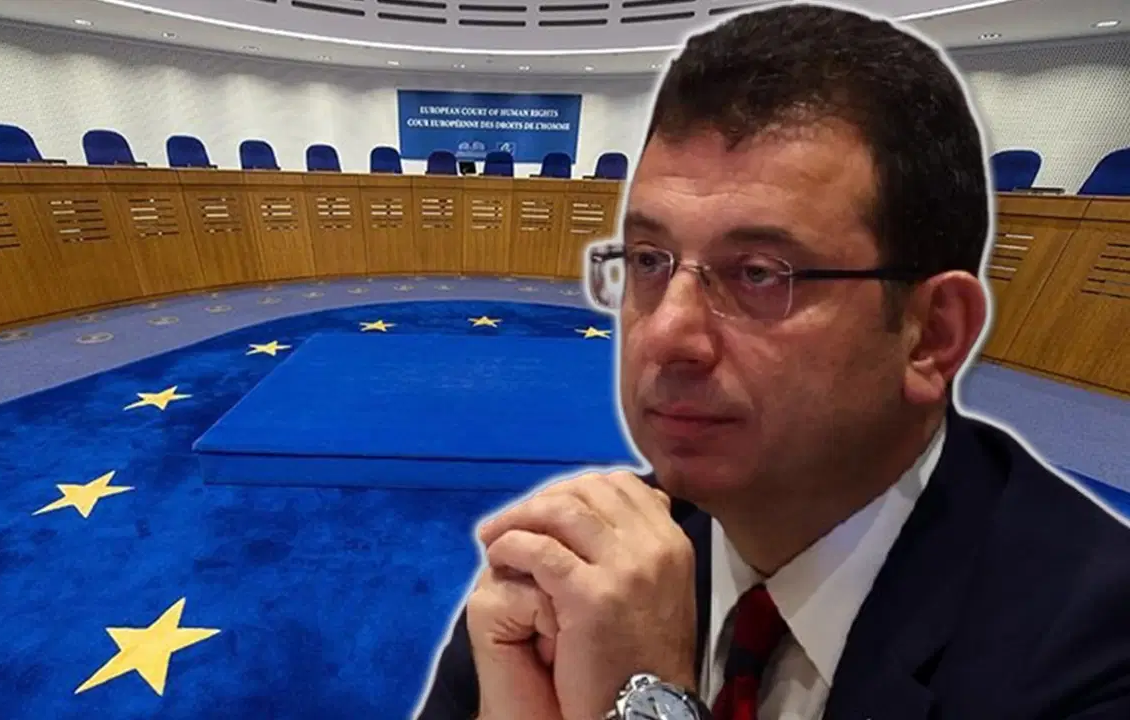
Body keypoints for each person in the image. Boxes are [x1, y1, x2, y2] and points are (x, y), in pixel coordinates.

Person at [412, 2, 1130, 719]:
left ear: (930, 335)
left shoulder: (1099, 652)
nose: (666, 335)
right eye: (649, 260)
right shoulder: (559, 579)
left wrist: (647, 700)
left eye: (759, 273)